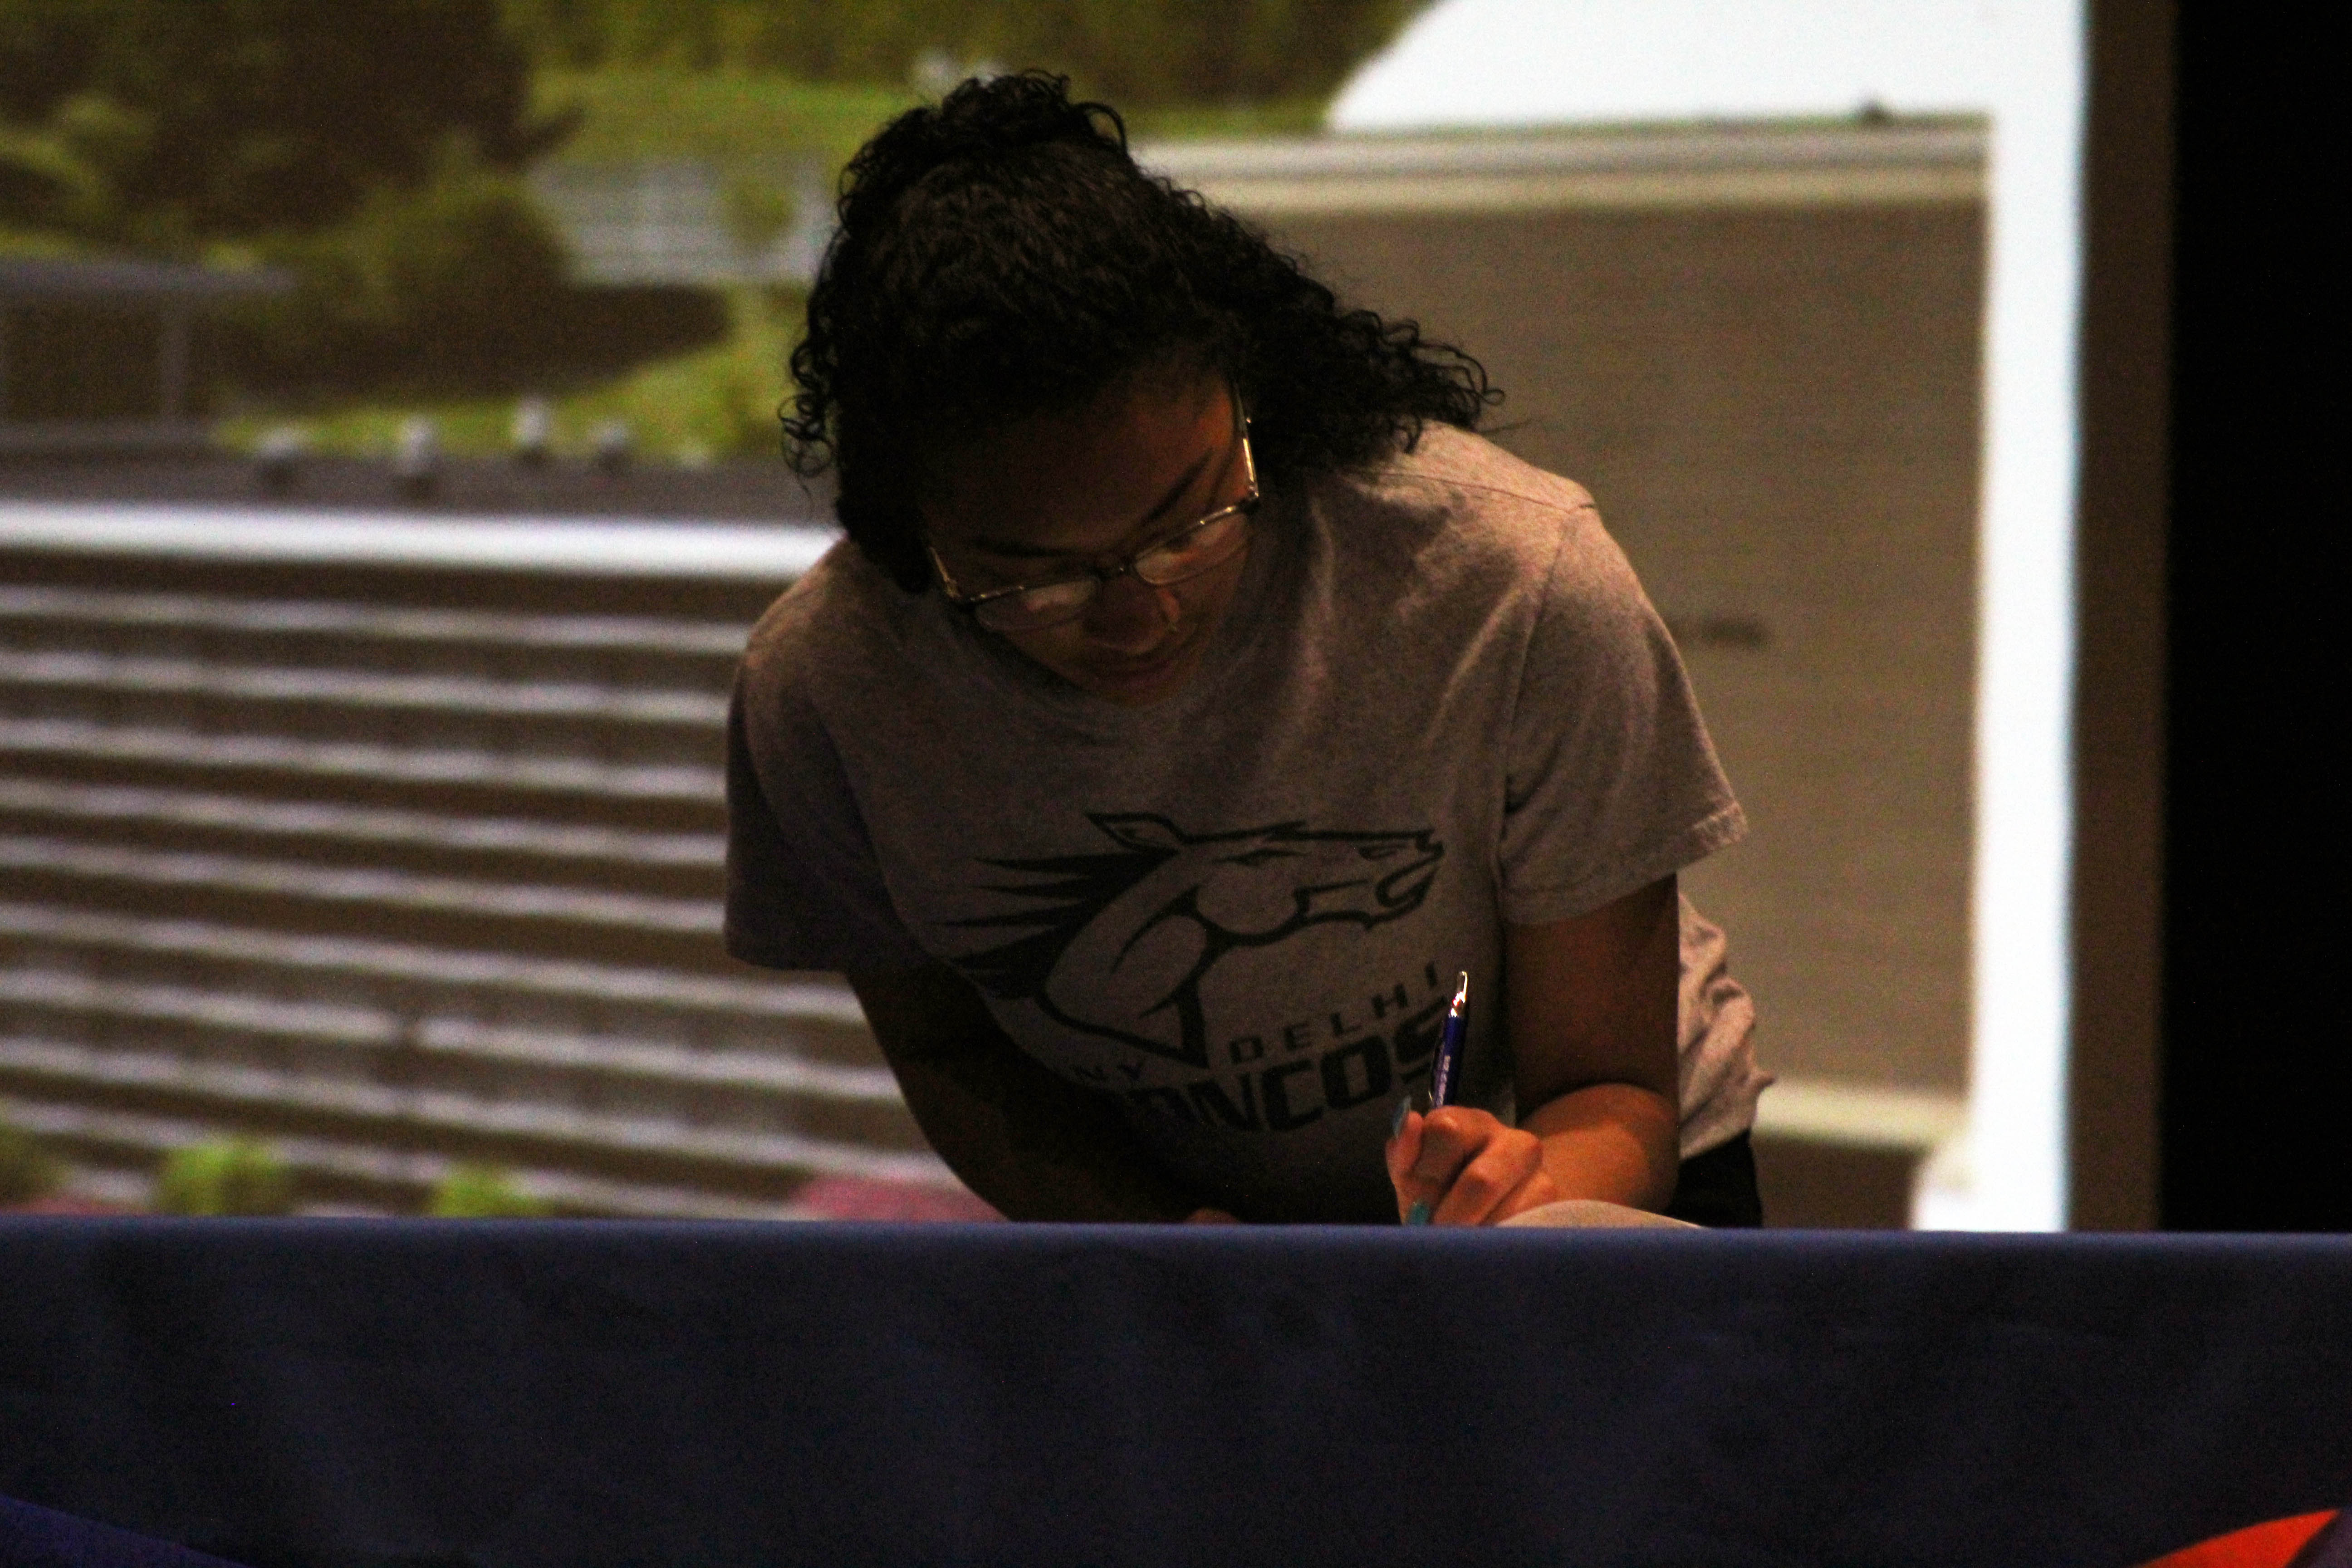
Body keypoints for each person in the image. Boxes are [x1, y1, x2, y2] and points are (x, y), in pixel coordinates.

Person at [725, 73, 1770, 1227]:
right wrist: (1159, 1241)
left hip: (1567, 1188)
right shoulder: (831, 695)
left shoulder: (1505, 583)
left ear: (1249, 408)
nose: (1138, 616)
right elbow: (949, 1051)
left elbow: (1611, 1090)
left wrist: (1519, 1197)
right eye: (1033, 576)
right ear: (908, 527)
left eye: (1188, 524)